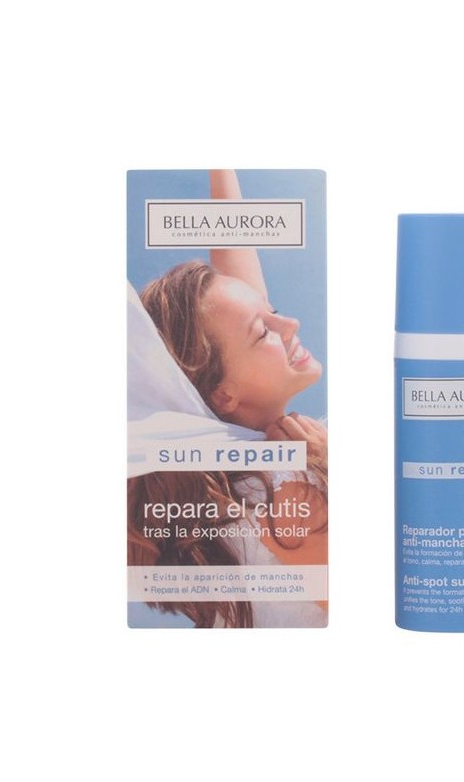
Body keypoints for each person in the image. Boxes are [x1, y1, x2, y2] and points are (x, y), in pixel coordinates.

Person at [128, 170, 327, 627]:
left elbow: (238, 301)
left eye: (274, 312)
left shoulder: (243, 464)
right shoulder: (276, 495)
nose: (290, 324)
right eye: (265, 331)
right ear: (223, 394)